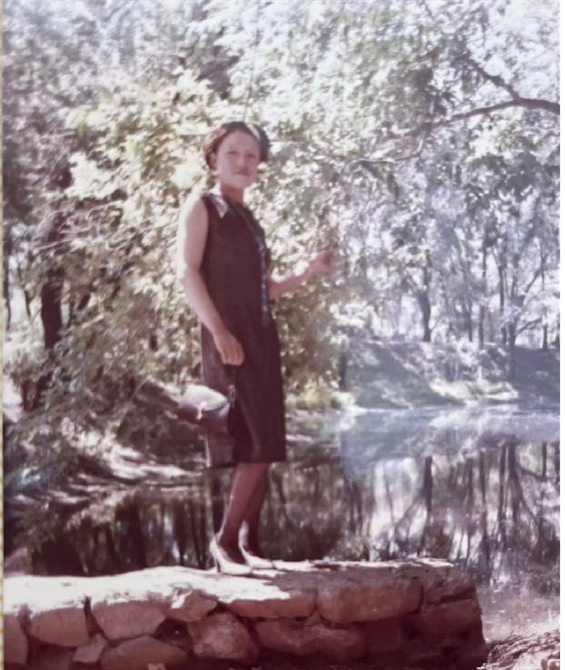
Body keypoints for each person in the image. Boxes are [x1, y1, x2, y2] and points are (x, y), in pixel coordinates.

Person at [176, 121, 338, 575]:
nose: (243, 162)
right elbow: (187, 272)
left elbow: (264, 289)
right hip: (229, 337)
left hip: (261, 336)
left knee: (265, 441)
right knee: (254, 443)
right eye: (233, 152)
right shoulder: (202, 205)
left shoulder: (249, 218)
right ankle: (224, 543)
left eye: (252, 155)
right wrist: (219, 331)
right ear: (214, 157)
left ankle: (250, 545)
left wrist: (308, 272)